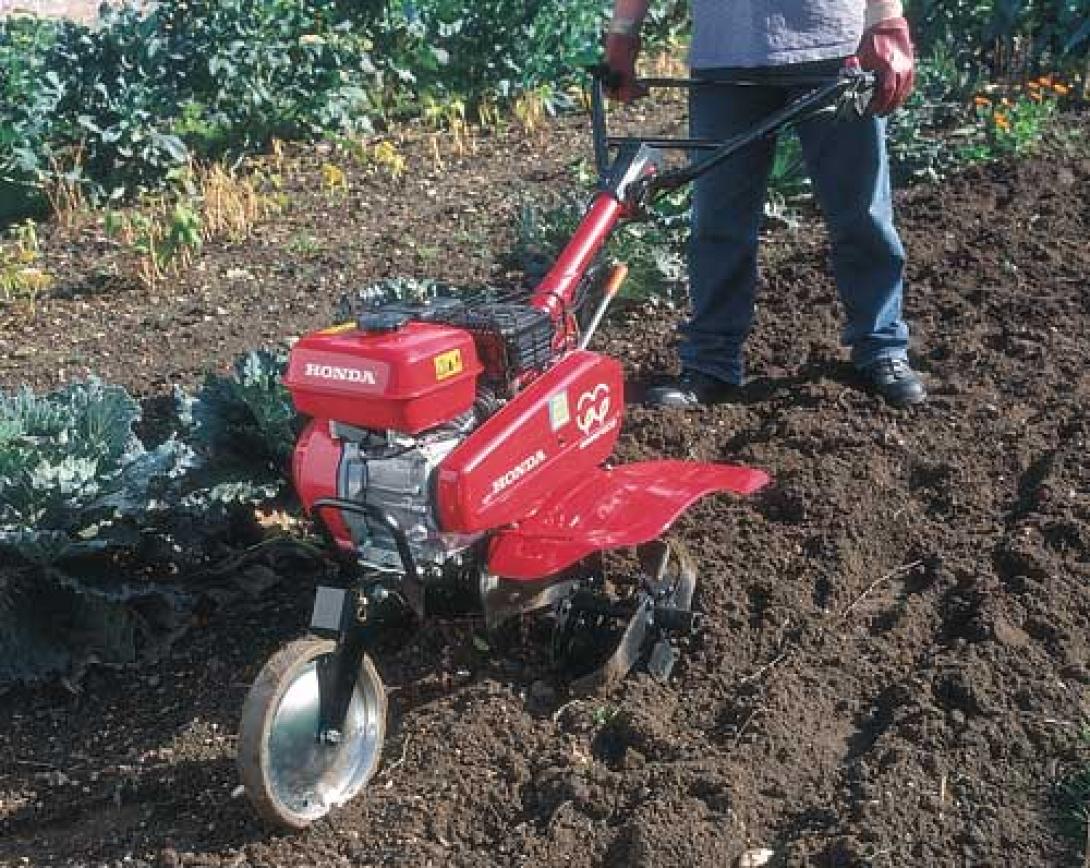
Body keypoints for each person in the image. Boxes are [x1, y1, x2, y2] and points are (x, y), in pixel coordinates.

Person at [603, 0, 927, 407]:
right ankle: (710, 364)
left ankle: (882, 349)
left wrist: (886, 22)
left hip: (835, 48)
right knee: (719, 222)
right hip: (726, 55)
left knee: (861, 215)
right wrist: (624, 31)